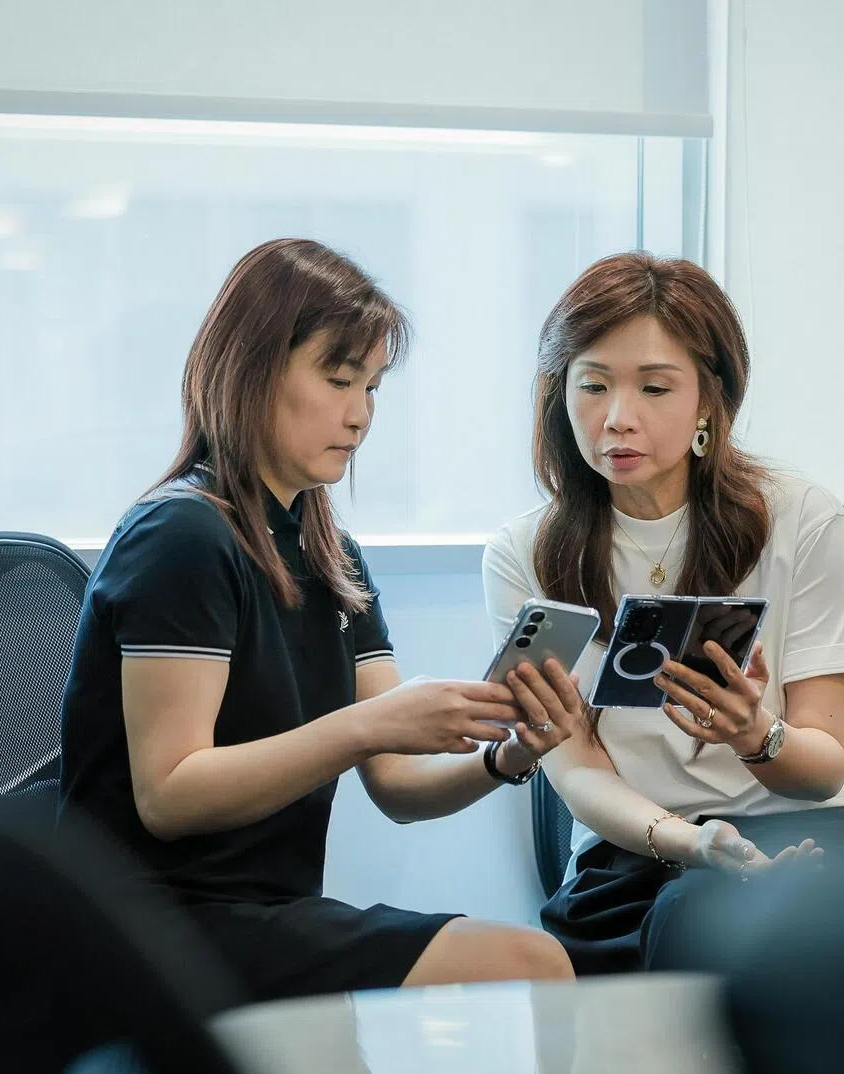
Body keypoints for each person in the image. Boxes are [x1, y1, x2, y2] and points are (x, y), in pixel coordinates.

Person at [59, 238, 574, 1002]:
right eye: (338, 381)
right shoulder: (182, 537)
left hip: (266, 912)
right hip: (153, 927)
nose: (360, 415)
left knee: (524, 961)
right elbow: (169, 795)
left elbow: (396, 786)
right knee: (532, 963)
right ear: (252, 371)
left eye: (371, 388)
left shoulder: (333, 552)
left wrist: (507, 758)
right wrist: (370, 725)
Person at [481, 251, 844, 975]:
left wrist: (757, 734)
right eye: (592, 385)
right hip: (642, 850)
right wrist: (693, 843)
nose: (617, 419)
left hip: (819, 829)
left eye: (655, 388)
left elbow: (820, 767)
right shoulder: (525, 553)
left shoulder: (799, 517)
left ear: (709, 402)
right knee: (696, 922)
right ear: (558, 394)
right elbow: (577, 770)